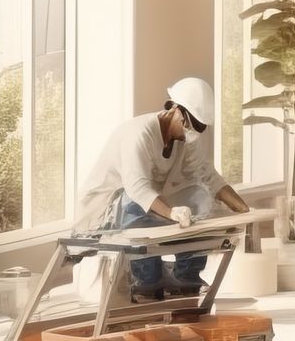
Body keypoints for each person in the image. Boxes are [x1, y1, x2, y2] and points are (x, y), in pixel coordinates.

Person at [74, 77, 250, 303]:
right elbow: (137, 188)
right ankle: (146, 282)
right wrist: (171, 213)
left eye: (199, 128)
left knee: (201, 197)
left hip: (147, 208)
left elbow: (207, 175)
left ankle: (186, 280)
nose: (192, 132)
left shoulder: (185, 138)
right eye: (190, 125)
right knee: (134, 202)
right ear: (176, 110)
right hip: (109, 211)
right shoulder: (138, 134)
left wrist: (242, 208)